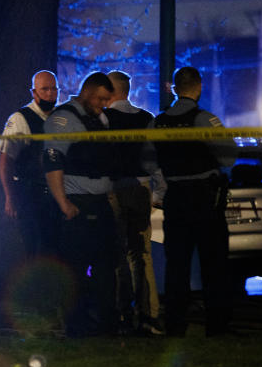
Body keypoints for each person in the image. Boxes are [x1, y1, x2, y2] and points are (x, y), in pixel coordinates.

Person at [150, 66, 235, 337]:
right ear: (198, 87)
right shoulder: (204, 119)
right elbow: (228, 158)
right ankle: (217, 327)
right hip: (204, 199)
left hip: (175, 198)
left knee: (177, 265)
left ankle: (175, 325)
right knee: (214, 264)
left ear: (175, 88)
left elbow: (147, 160)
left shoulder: (157, 122)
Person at [43, 72, 117, 337]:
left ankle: (105, 325)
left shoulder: (101, 118)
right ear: (87, 92)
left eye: (107, 100)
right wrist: (64, 203)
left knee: (107, 267)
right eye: (101, 98)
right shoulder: (64, 119)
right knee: (75, 269)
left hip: (100, 204)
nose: (104, 104)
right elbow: (52, 163)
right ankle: (77, 326)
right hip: (77, 205)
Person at [103, 71, 163, 336]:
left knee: (117, 255)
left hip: (114, 190)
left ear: (110, 91)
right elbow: (153, 160)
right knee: (142, 255)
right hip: (140, 189)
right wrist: (158, 190)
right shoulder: (146, 119)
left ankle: (120, 314)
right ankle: (149, 314)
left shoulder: (104, 119)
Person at [0, 70, 62, 260]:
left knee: (55, 248)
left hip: (57, 194)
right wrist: (9, 196)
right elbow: (6, 159)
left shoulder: (62, 118)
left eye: (53, 89)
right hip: (30, 193)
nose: (50, 93)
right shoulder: (20, 119)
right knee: (34, 249)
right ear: (34, 92)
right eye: (45, 89)